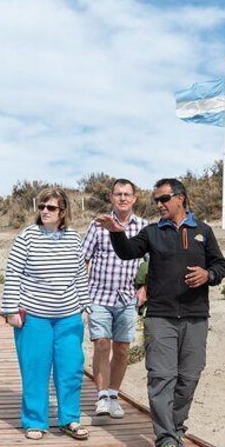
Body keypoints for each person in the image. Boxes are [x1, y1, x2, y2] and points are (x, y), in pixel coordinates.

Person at [96, 178, 225, 447]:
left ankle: (177, 428)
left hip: (195, 317)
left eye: (164, 199)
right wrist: (117, 233)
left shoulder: (203, 231)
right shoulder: (152, 232)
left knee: (189, 377)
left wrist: (208, 275)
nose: (159, 205)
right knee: (160, 377)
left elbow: (220, 265)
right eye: (156, 200)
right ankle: (166, 439)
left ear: (180, 198)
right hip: (160, 317)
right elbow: (128, 251)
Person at [1, 188, 92, 441]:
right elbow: (13, 274)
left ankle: (69, 419)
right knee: (35, 369)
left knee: (71, 369)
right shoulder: (27, 237)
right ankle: (35, 421)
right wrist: (10, 310)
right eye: (42, 206)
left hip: (69, 317)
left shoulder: (74, 238)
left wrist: (85, 306)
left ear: (63, 212)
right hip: (34, 318)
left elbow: (79, 275)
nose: (44, 211)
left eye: (51, 208)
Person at [80, 178, 148, 419]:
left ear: (134, 198)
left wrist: (144, 289)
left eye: (127, 194)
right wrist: (81, 294)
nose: (122, 198)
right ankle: (101, 397)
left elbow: (150, 262)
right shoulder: (98, 225)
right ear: (111, 197)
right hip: (98, 295)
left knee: (122, 349)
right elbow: (83, 259)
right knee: (101, 343)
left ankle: (113, 395)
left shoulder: (142, 226)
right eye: (118, 194)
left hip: (128, 297)